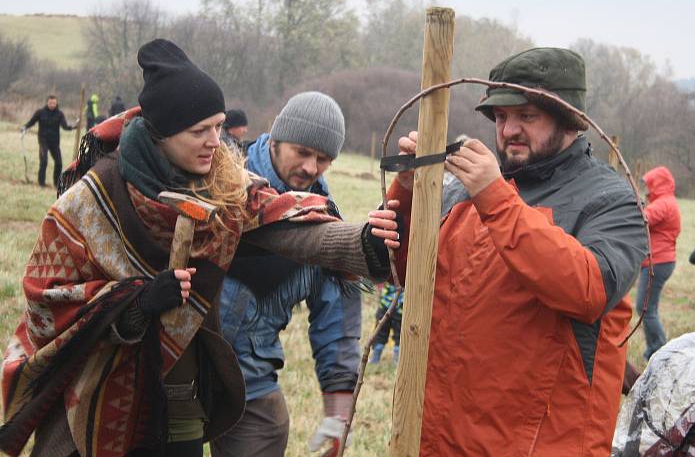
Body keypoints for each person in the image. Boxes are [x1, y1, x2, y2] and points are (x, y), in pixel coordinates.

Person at [0, 40, 399, 457]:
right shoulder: (93, 199)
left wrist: (365, 244)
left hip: (183, 387)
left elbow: (288, 226)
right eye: (200, 131)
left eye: (218, 126)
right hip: (99, 387)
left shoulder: (224, 186)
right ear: (163, 133)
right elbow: (46, 302)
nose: (216, 141)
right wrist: (133, 304)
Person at [387, 47, 647, 455]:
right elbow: (412, 277)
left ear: (569, 121)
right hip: (443, 439)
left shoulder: (611, 200)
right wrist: (404, 196)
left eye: (527, 116)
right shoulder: (462, 192)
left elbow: (588, 289)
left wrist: (494, 196)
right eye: (502, 117)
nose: (508, 130)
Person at [212, 92, 358, 457]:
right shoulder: (219, 177)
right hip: (181, 363)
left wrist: (338, 412)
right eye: (302, 152)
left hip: (251, 376)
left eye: (323, 159)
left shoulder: (322, 224)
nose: (311, 167)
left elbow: (337, 318)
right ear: (276, 139)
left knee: (270, 429)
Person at [636, 166, 681, 360]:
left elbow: (641, 218)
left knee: (646, 308)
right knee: (647, 308)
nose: (646, 189)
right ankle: (654, 349)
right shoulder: (665, 201)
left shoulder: (663, 204)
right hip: (659, 261)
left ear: (658, 184)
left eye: (649, 185)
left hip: (657, 262)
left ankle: (660, 350)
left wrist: (632, 204)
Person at [21, 94, 76, 187]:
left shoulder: (60, 114)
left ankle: (56, 183)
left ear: (56, 103)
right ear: (47, 102)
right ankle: (41, 183)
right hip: (43, 141)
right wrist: (25, 127)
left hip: (55, 142)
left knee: (59, 163)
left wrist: (73, 127)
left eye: (54, 103)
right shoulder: (40, 112)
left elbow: (65, 126)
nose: (52, 105)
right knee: (44, 161)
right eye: (50, 103)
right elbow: (32, 121)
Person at [369, 283, 403, 365]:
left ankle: (396, 360)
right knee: (398, 335)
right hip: (398, 307)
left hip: (390, 306)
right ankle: (394, 361)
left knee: (383, 333)